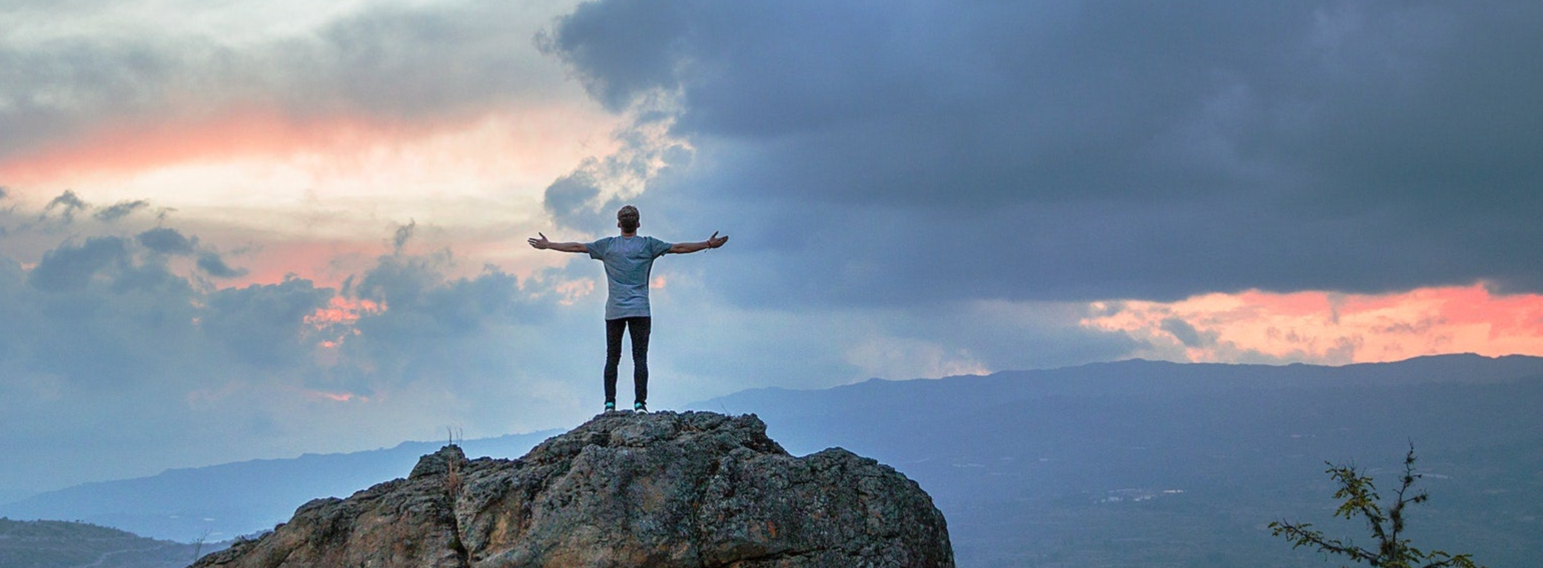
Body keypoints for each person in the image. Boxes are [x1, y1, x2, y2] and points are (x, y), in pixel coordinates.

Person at [528, 205, 727, 414]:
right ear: (638, 223)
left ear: (618, 224)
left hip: (614, 310)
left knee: (612, 357)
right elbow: (679, 248)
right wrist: (708, 244)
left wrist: (549, 245)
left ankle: (609, 404)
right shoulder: (649, 245)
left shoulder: (607, 246)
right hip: (640, 309)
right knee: (640, 357)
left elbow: (577, 246)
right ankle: (640, 404)